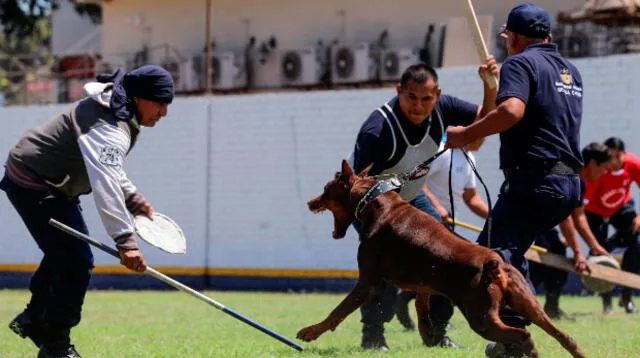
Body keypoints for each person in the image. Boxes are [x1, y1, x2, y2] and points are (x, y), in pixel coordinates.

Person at [2, 65, 175, 358]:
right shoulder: (109, 127)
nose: (164, 112)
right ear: (138, 97)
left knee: (66, 254)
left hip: (56, 185)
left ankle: (34, 319)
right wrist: (125, 241)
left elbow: (109, 168)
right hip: (33, 181)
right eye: (160, 103)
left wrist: (131, 198)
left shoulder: (120, 113)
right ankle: (55, 345)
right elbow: (105, 181)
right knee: (76, 261)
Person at [445, 3, 584, 357]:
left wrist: (464, 135)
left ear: (516, 38)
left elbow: (511, 112)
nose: (507, 43)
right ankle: (514, 336)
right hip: (566, 185)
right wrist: (492, 86)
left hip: (533, 183)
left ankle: (514, 342)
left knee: (493, 259)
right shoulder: (569, 70)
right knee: (507, 254)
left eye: (508, 37)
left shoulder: (520, 63)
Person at [348, 58, 499, 350]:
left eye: (426, 99)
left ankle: (436, 333)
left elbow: (484, 126)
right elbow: (358, 187)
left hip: (412, 196)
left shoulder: (445, 108)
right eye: (411, 98)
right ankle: (373, 336)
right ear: (398, 91)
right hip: (370, 203)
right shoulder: (377, 130)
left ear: (437, 96)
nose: (418, 106)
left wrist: (488, 86)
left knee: (447, 256)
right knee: (385, 263)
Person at [395, 135, 489, 330]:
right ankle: (437, 323)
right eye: (482, 132)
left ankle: (410, 300)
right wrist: (436, 207)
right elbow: (418, 180)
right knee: (446, 272)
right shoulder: (442, 151)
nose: (483, 139)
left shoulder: (469, 157)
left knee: (440, 274)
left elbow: (471, 198)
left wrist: (494, 216)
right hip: (428, 222)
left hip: (447, 225)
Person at [530, 142, 613, 320]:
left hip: (547, 227)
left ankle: (552, 308)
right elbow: (566, 218)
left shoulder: (580, 183)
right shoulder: (568, 176)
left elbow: (579, 216)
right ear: (592, 164)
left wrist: (595, 246)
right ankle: (517, 310)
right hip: (531, 224)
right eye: (604, 168)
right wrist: (577, 252)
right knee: (536, 269)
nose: (605, 173)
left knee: (559, 258)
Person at [583, 137, 640, 314]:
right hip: (594, 211)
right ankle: (606, 303)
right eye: (609, 156)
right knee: (599, 251)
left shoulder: (633, 164)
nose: (612, 161)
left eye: (617, 156)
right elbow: (582, 206)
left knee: (636, 244)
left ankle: (627, 296)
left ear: (624, 154)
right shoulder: (599, 170)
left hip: (621, 206)